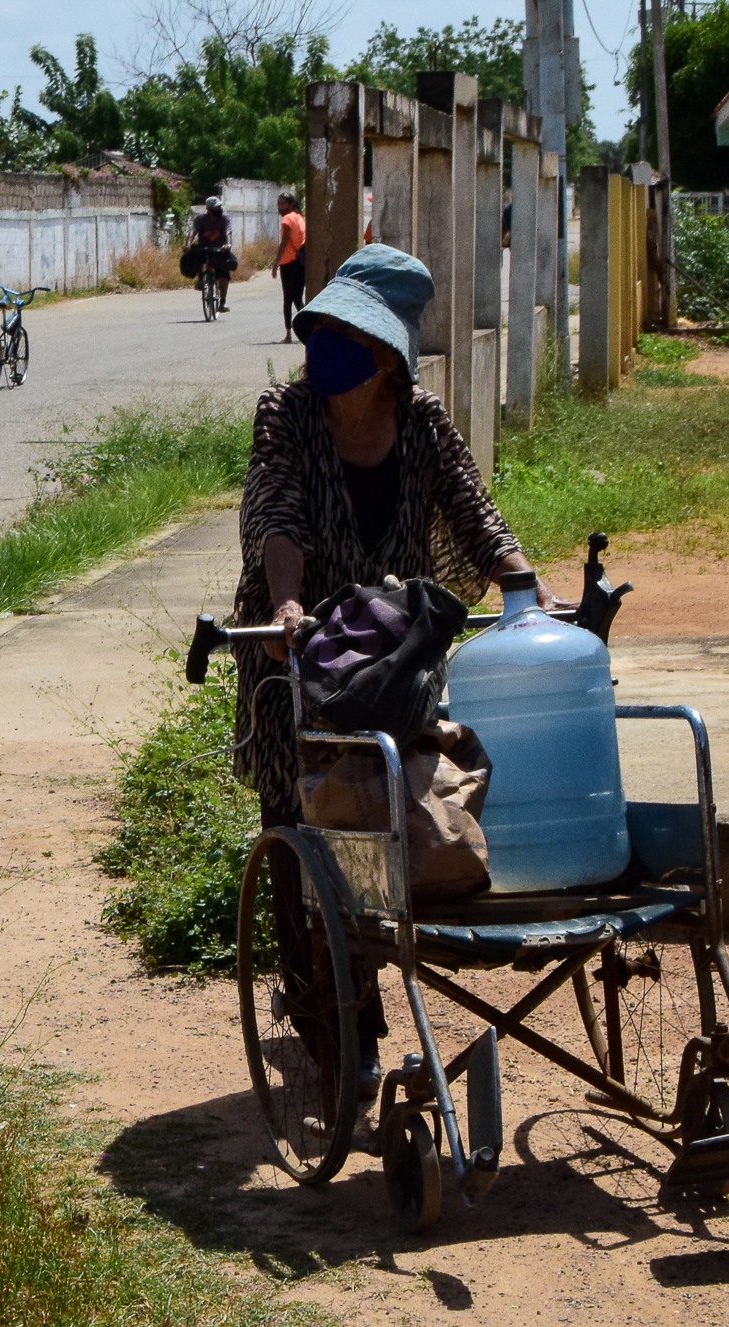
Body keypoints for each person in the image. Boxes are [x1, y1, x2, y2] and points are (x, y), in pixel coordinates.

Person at [231, 243, 563, 1099]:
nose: (325, 347)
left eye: (346, 335)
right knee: (304, 824)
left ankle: (369, 976)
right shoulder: (289, 411)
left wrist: (527, 583)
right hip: (298, 657)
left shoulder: (420, 421)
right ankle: (330, 1013)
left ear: (383, 356)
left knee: (389, 815)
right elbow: (276, 508)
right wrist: (288, 608)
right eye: (322, 330)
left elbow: (473, 509)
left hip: (392, 662)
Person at [190, 196, 234, 312]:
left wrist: (227, 245)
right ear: (208, 209)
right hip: (204, 247)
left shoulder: (224, 218)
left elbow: (228, 231)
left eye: (219, 206)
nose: (219, 209)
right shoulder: (200, 219)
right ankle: (201, 278)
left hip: (220, 249)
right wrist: (187, 244)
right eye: (216, 207)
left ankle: (222, 302)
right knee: (194, 255)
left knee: (223, 275)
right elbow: (193, 231)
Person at [275, 191, 306, 343]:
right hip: (300, 262)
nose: (279, 207)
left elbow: (284, 241)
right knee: (298, 299)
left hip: (288, 262)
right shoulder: (300, 217)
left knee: (288, 299)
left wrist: (275, 263)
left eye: (282, 204)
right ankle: (310, 327)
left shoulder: (287, 219)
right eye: (278, 204)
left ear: (290, 204)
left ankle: (288, 334)